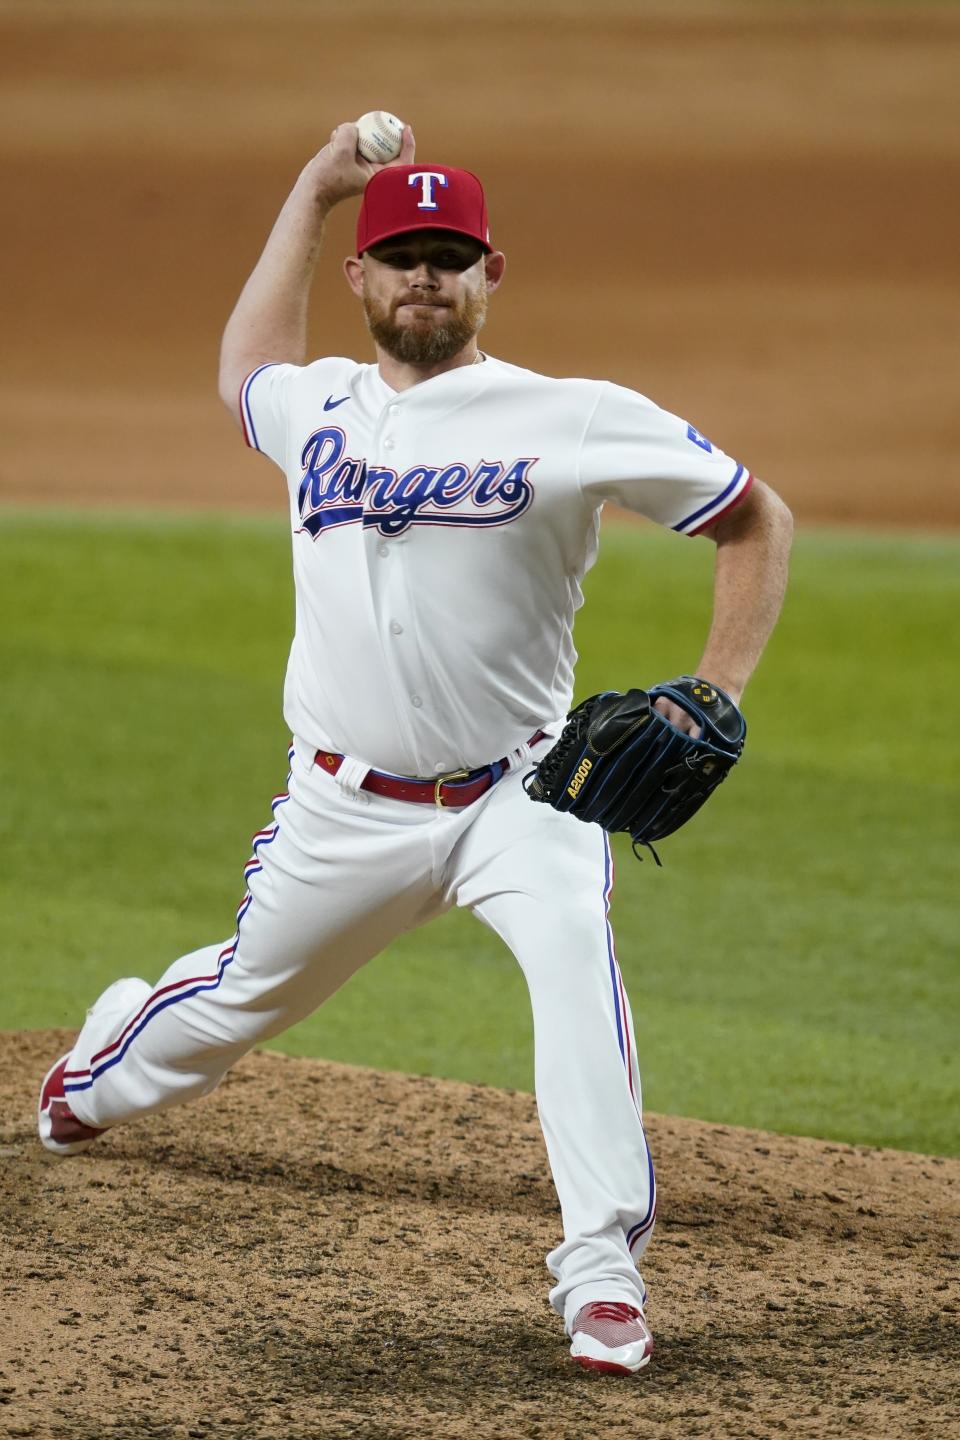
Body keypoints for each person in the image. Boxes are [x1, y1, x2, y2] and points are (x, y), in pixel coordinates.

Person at [38, 122, 793, 1376]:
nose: (424, 278)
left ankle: (600, 1272)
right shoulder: (318, 404)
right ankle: (95, 1075)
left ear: (493, 273)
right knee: (230, 1007)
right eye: (401, 257)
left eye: (449, 256)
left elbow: (754, 518)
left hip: (526, 792)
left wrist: (717, 687)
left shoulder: (573, 416)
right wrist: (308, 192)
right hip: (342, 808)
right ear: (363, 278)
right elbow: (244, 373)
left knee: (575, 969)